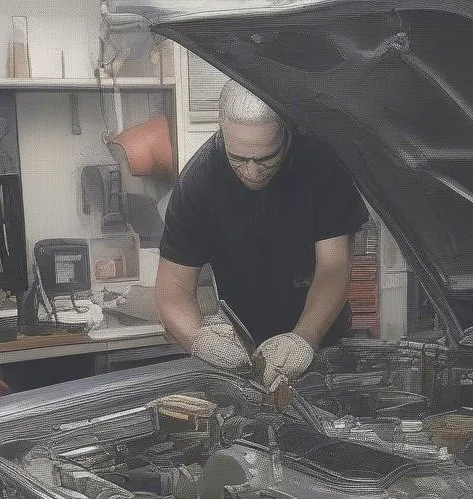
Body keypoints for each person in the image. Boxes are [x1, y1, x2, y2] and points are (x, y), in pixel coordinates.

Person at [155, 80, 369, 386]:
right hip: (243, 352)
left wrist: (305, 338)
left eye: (266, 158)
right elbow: (172, 286)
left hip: (322, 344)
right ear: (222, 130)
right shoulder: (199, 183)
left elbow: (333, 267)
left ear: (284, 131)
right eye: (239, 159)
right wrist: (198, 339)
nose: (252, 172)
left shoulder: (321, 165)